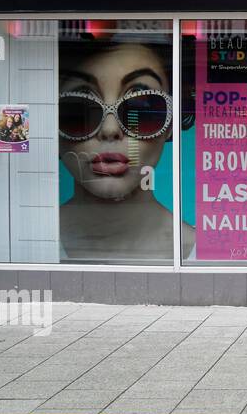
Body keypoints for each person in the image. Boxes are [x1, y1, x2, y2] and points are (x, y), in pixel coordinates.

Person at [57, 35, 193, 263]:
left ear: (171, 124)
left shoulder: (201, 255)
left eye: (143, 107)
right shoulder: (25, 245)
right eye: (79, 109)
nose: (110, 129)